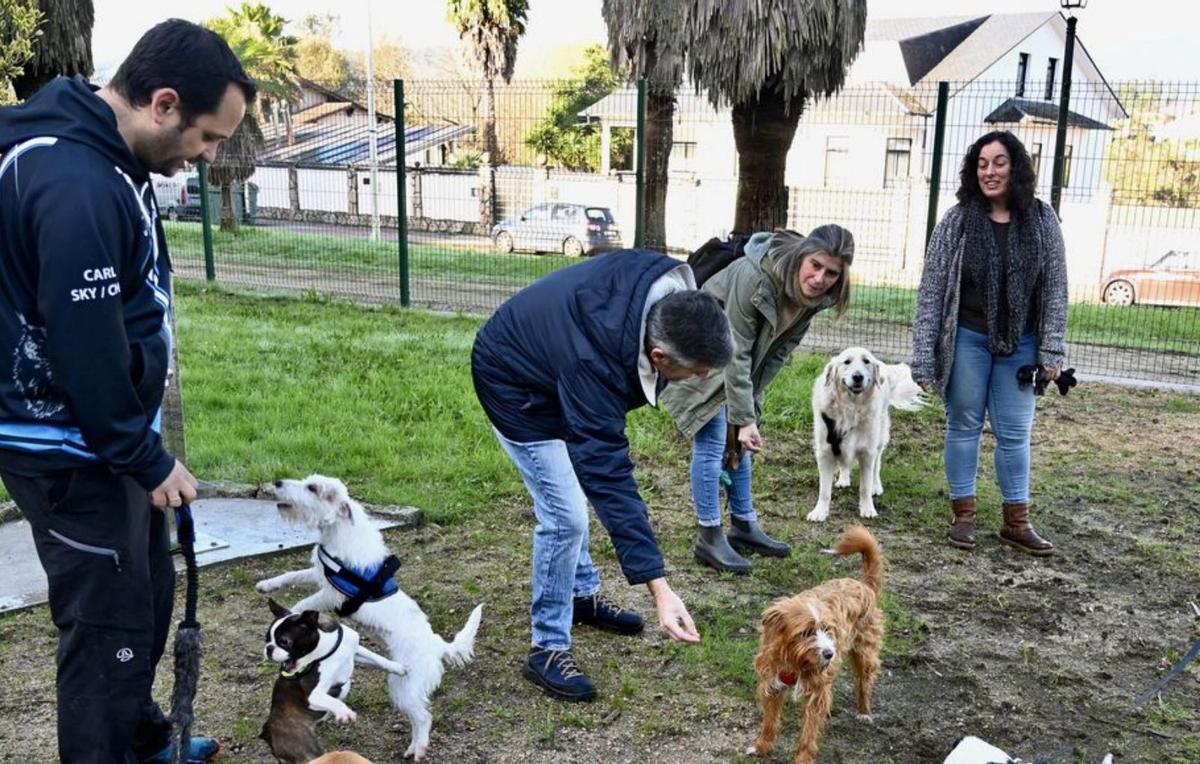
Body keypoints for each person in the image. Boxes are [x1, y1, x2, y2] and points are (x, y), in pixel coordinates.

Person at [0, 20, 255, 763]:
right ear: (164, 103)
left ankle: (145, 741)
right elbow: (85, 348)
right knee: (105, 626)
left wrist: (139, 451)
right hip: (69, 450)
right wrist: (142, 457)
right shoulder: (75, 181)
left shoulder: (110, 157)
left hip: (107, 442)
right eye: (208, 138)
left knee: (144, 597)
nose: (208, 159)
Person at [472, 249, 734, 702]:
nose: (702, 377)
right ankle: (547, 647)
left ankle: (582, 594)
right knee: (566, 516)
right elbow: (609, 476)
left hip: (553, 359)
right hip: (513, 383)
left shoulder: (668, 293)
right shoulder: (593, 361)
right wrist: (660, 589)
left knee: (574, 490)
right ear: (658, 355)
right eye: (696, 373)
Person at [660, 226, 855, 573]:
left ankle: (743, 524)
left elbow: (778, 353)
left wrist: (750, 411)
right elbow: (735, 351)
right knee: (713, 439)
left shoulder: (812, 299)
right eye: (815, 265)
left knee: (740, 442)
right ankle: (709, 535)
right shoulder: (755, 276)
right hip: (698, 354)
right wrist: (742, 415)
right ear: (802, 256)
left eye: (831, 273)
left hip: (735, 364)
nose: (819, 278)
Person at [912, 130, 1068, 556]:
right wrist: (923, 355)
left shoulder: (1041, 219)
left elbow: (1055, 287)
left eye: (999, 162)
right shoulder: (958, 220)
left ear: (1015, 167)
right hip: (967, 337)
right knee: (963, 424)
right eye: (982, 164)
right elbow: (932, 289)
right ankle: (963, 516)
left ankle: (1017, 522)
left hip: (1023, 344)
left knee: (1015, 432)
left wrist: (1051, 349)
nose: (990, 171)